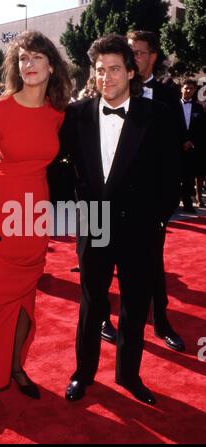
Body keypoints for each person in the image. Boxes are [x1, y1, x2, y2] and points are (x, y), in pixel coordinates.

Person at [0, 31, 71, 427]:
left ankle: (15, 366)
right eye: (22, 58)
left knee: (27, 302)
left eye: (37, 56)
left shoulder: (57, 112)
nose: (29, 64)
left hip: (35, 216)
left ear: (51, 65)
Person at [61, 34, 180, 405]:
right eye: (100, 70)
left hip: (139, 227)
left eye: (115, 69)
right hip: (94, 222)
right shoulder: (76, 114)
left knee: (134, 305)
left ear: (131, 72)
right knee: (91, 304)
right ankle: (83, 373)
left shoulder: (157, 116)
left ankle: (129, 375)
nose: (107, 77)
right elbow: (55, 166)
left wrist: (155, 219)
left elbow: (170, 175)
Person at [100, 30, 185, 353]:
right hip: (110, 195)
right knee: (103, 262)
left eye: (138, 52)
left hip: (147, 199)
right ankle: (102, 318)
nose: (132, 56)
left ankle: (161, 322)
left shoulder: (167, 96)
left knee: (152, 263)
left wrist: (165, 206)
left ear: (153, 55)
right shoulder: (109, 88)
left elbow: (173, 154)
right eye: (129, 51)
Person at [179, 79, 205, 211]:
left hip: (192, 148)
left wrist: (191, 142)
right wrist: (181, 141)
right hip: (176, 147)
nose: (188, 90)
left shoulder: (199, 108)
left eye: (191, 88)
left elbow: (201, 129)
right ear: (181, 89)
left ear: (194, 90)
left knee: (189, 176)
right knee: (175, 176)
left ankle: (188, 203)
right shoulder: (172, 106)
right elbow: (170, 127)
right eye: (186, 88)